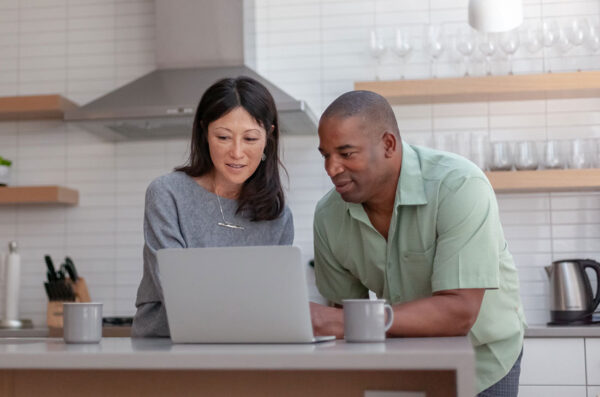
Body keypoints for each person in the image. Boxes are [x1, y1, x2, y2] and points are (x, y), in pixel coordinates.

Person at [309, 90, 526, 396]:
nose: (331, 169)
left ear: (388, 144)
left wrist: (344, 322)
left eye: (346, 154)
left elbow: (459, 311)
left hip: (484, 359)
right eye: (326, 155)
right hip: (407, 361)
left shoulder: (459, 185)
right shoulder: (328, 216)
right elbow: (342, 315)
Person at [132, 76, 294, 337]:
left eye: (251, 139)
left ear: (269, 137)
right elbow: (176, 291)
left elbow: (274, 302)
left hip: (247, 350)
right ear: (205, 133)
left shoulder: (278, 217)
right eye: (223, 137)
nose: (237, 153)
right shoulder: (167, 194)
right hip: (164, 351)